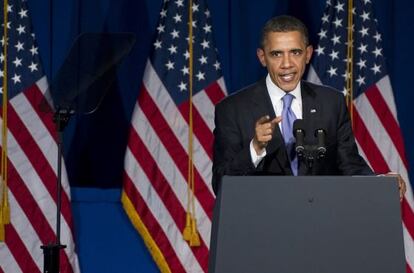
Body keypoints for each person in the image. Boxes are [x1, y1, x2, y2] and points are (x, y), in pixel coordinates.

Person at [212, 15, 406, 198]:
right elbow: (221, 184)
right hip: (263, 224)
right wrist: (255, 147)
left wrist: (380, 183)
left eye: (295, 52)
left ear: (308, 54)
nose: (287, 64)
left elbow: (350, 166)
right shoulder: (232, 109)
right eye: (276, 54)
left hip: (320, 223)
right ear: (262, 57)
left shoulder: (331, 102)